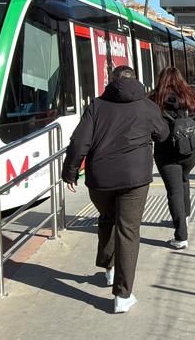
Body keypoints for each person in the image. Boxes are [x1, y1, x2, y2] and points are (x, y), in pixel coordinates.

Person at [61, 65, 169, 314]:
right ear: (136, 80)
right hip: (135, 179)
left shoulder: (97, 106)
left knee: (107, 218)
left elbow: (79, 142)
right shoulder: (147, 106)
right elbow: (162, 135)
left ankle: (109, 269)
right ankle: (122, 295)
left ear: (111, 81)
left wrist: (70, 171)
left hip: (101, 179)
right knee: (128, 231)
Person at [150, 66, 195, 250]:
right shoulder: (190, 98)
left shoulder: (153, 99)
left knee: (174, 192)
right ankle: (185, 215)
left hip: (166, 152)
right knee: (183, 179)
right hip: (190, 150)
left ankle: (181, 236)